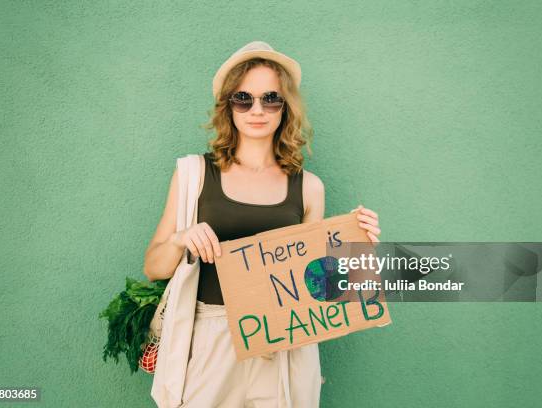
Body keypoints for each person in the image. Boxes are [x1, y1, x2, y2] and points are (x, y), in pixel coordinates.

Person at [144, 41, 381, 408]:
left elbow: (318, 287)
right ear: (229, 106)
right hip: (211, 339)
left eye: (271, 98)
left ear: (285, 107)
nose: (258, 109)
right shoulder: (193, 174)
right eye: (244, 98)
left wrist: (356, 247)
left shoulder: (309, 188)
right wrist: (181, 238)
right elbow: (154, 268)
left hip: (280, 346)